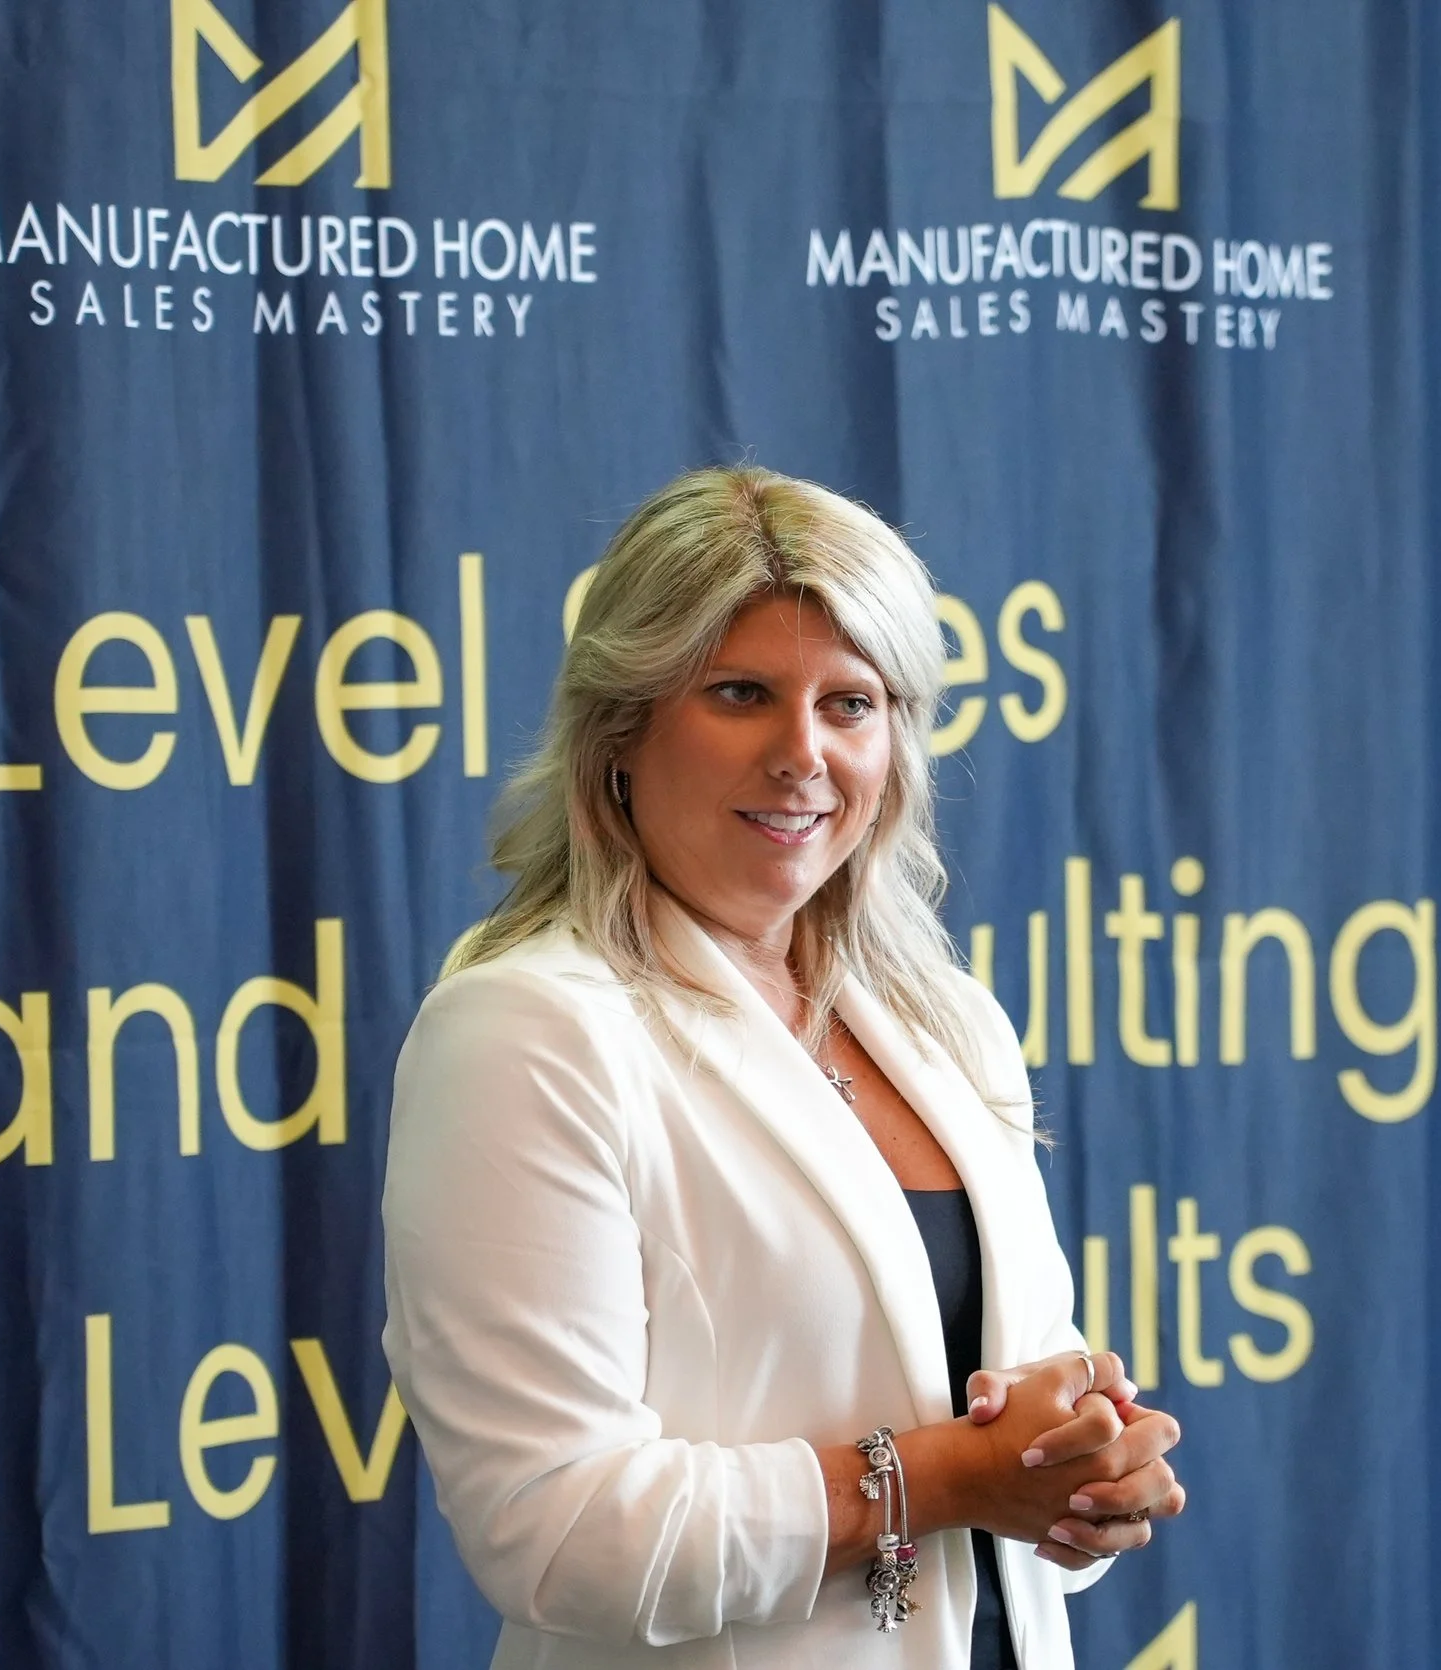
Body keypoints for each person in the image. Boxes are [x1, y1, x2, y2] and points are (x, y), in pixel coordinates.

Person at [381, 465, 1186, 1669]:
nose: (801, 753)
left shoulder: (948, 1020)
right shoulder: (526, 1028)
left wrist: (1081, 1470)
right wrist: (944, 1476)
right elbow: (554, 1531)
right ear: (620, 730)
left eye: (849, 702)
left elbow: (1009, 1431)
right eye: (741, 693)